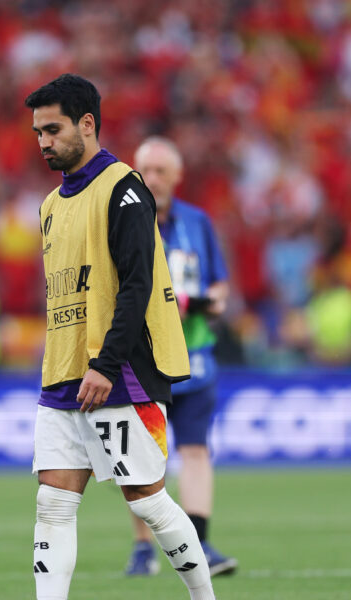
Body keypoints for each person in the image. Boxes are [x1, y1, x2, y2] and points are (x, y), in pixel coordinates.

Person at [0, 74, 229, 600]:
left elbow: (136, 284)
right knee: (53, 501)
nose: (43, 141)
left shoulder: (125, 189)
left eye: (54, 129)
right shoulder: (49, 205)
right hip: (63, 376)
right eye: (37, 131)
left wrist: (105, 362)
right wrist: (71, 364)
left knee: (146, 500)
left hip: (120, 376)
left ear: (87, 124)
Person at [123, 136, 237, 577]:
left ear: (177, 177)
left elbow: (220, 286)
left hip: (194, 356)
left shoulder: (197, 222)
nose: (152, 179)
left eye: (160, 171)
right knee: (141, 456)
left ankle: (201, 543)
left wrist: (206, 301)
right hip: (143, 358)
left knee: (194, 451)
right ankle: (142, 548)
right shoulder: (124, 220)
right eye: (145, 170)